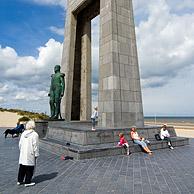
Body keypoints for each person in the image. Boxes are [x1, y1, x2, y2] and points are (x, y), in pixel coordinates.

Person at [17, 120, 39, 187]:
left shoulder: (23, 133)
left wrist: (22, 151)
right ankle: (27, 181)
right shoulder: (35, 134)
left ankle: (20, 180)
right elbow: (35, 145)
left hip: (23, 153)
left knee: (22, 166)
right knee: (29, 168)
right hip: (30, 153)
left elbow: (20, 144)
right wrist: (36, 154)